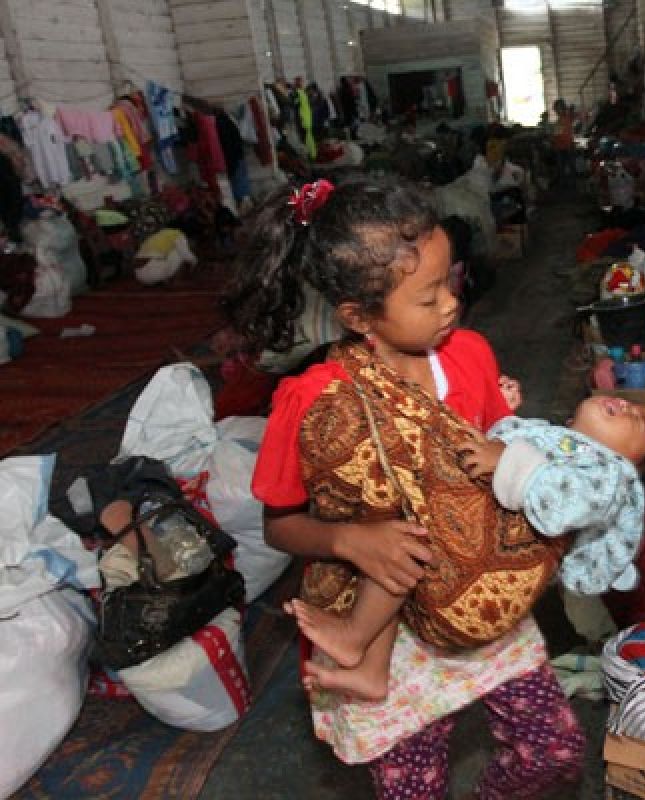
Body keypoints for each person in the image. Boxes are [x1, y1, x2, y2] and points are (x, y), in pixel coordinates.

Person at [223, 179, 584, 798]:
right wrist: (350, 540)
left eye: (451, 282)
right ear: (359, 318)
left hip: (476, 594)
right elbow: (278, 524)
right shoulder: (314, 401)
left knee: (552, 748)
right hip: (387, 633)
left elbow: (503, 454)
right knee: (414, 786)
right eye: (426, 297)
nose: (449, 304)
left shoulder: (469, 354)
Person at [287, 392, 645, 700]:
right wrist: (504, 415)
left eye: (640, 419)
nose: (627, 405)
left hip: (494, 566)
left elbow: (563, 506)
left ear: (632, 463)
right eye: (627, 402)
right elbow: (497, 451)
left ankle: (355, 636)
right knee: (397, 552)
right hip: (471, 543)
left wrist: (508, 460)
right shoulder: (556, 438)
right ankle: (371, 668)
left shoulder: (610, 474)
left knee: (404, 544)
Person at [551, 98, 576, 186]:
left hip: (568, 146)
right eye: (556, 109)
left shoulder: (567, 117)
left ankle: (573, 184)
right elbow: (556, 135)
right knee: (562, 167)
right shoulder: (559, 121)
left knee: (570, 165)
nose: (556, 111)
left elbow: (572, 109)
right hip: (560, 147)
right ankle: (564, 184)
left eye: (557, 108)